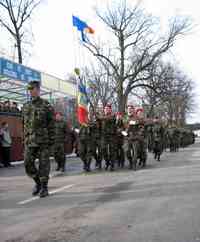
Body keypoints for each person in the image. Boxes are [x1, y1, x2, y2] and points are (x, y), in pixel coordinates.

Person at [22, 81, 55, 198]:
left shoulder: (46, 105)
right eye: (29, 89)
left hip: (43, 141)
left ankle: (44, 187)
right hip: (30, 141)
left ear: (38, 89)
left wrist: (51, 141)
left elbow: (52, 125)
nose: (30, 91)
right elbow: (24, 125)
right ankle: (38, 183)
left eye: (32, 88)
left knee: (44, 165)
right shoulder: (25, 106)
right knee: (27, 163)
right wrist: (24, 139)